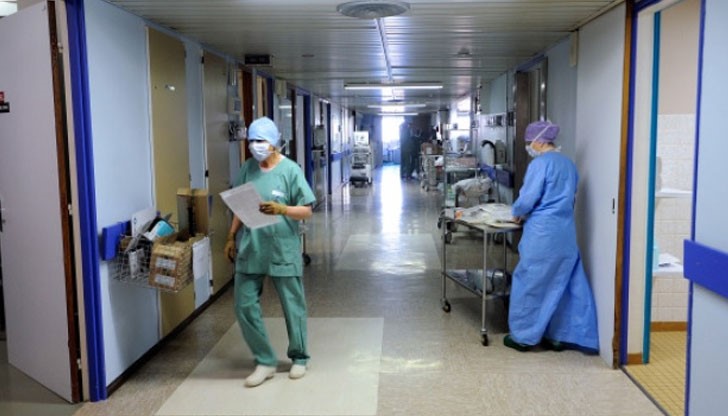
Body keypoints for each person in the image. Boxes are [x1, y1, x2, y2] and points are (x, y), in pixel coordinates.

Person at [224, 116, 316, 387]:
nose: (255, 145)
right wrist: (231, 236)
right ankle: (265, 360)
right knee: (244, 304)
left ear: (274, 142)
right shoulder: (247, 168)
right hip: (251, 247)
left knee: (292, 305)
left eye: (260, 141)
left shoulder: (290, 170)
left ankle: (299, 357)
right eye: (251, 140)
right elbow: (240, 205)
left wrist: (282, 209)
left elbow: (307, 211)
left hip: (281, 247)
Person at [504, 120, 599, 353]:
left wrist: (516, 212)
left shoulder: (540, 165)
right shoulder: (569, 164)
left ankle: (523, 336)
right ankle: (559, 335)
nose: (529, 146)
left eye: (529, 142)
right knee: (562, 284)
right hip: (564, 233)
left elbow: (528, 198)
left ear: (539, 141)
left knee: (531, 282)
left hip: (543, 234)